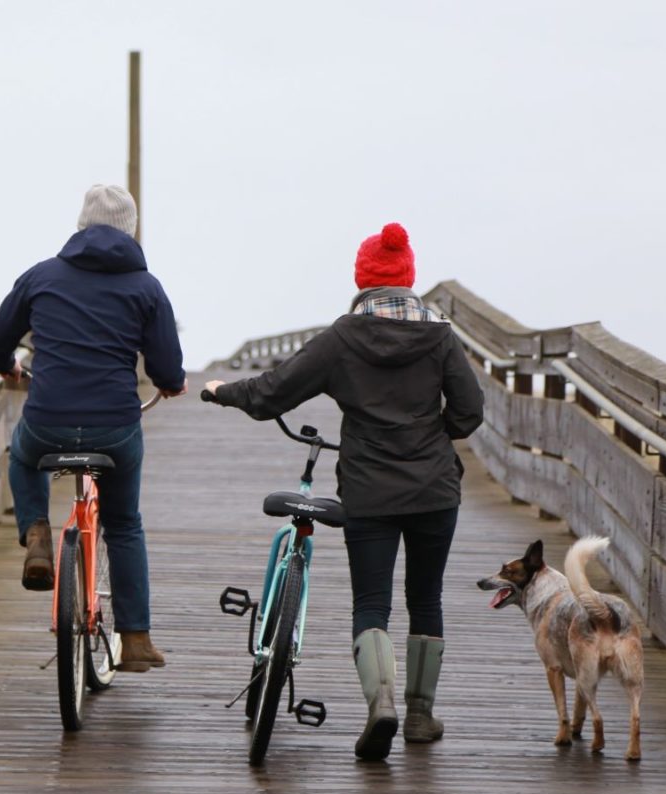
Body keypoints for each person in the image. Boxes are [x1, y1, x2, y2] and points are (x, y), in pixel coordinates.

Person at [204, 222, 483, 760]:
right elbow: (469, 413)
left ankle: (380, 706)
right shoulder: (441, 335)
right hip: (434, 490)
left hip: (370, 490)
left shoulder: (342, 338)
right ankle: (421, 716)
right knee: (425, 598)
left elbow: (271, 393)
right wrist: (427, 436)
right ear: (408, 277)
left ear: (363, 279)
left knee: (372, 601)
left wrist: (221, 392)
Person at [0, 184, 187, 671]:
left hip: (48, 419)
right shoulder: (146, 287)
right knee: (124, 523)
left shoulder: (41, 276)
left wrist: (8, 365)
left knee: (24, 454)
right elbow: (168, 367)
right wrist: (170, 384)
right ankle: (135, 637)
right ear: (131, 230)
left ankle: (35, 531)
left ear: (80, 225)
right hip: (115, 429)